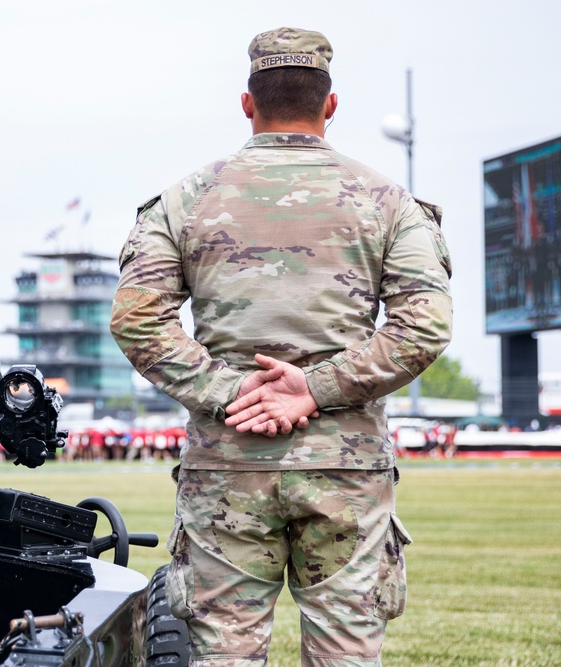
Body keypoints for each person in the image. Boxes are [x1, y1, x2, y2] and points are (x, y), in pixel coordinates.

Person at [110, 27, 452, 667]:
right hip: (344, 471)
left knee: (223, 656)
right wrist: (315, 390)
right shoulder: (389, 204)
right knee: (346, 654)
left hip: (228, 464)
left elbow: (137, 320)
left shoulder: (183, 202)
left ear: (248, 103)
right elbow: (423, 326)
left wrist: (227, 389)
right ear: (330, 104)